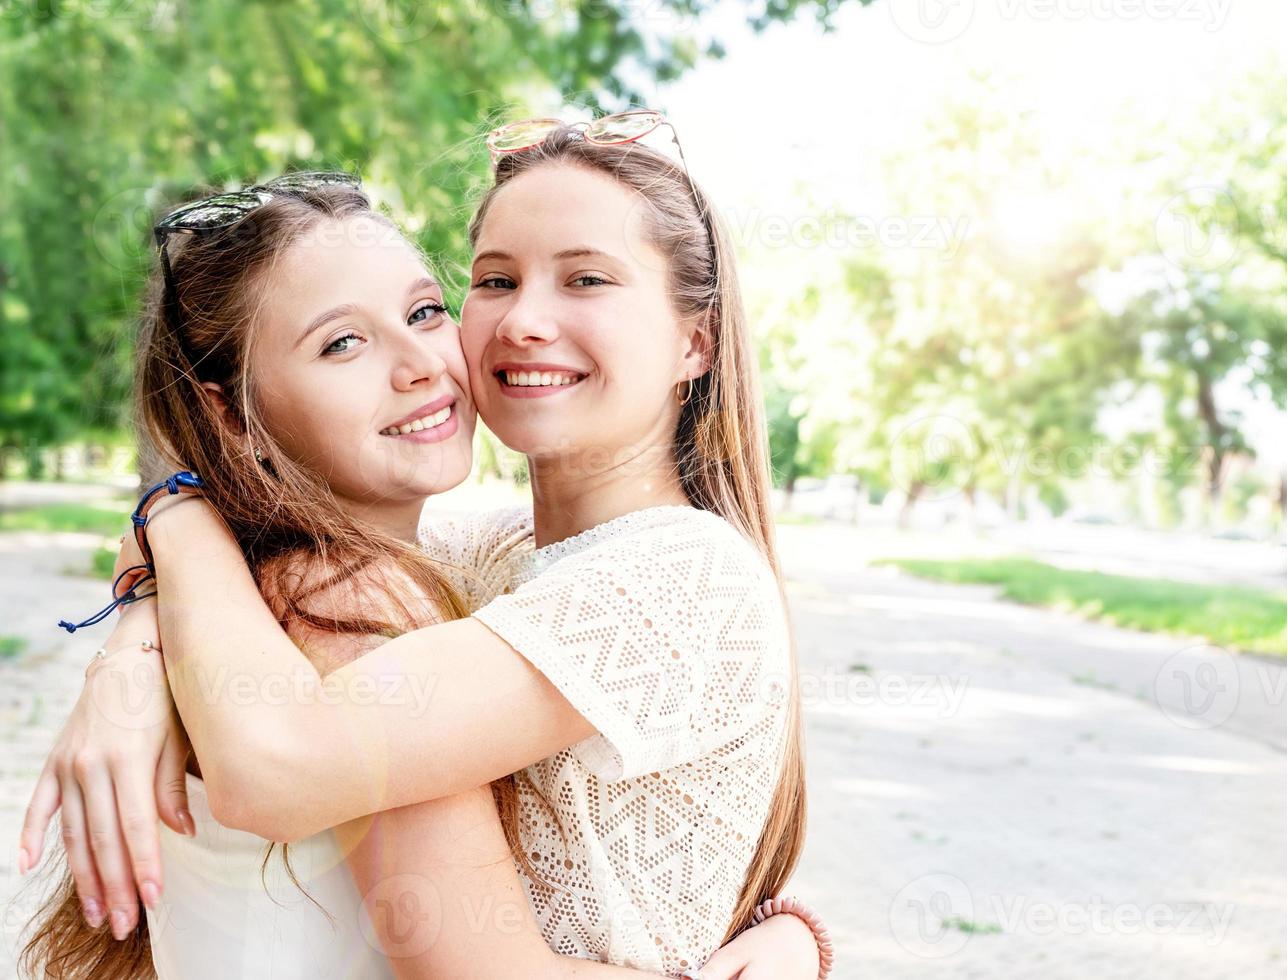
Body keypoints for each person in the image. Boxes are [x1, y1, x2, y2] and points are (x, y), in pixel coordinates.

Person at [22, 115, 831, 979]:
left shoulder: (676, 576)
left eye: (586, 279)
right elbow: (288, 774)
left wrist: (793, 936)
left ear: (694, 340)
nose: (523, 321)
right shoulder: (412, 571)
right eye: (493, 280)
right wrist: (158, 557)